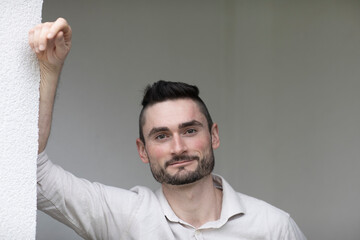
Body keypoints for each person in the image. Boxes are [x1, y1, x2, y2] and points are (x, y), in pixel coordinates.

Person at [29, 18, 307, 240]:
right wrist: (50, 70)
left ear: (214, 136)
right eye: (161, 136)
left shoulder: (274, 227)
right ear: (143, 150)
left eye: (189, 131)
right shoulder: (124, 217)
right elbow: (33, 175)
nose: (178, 148)